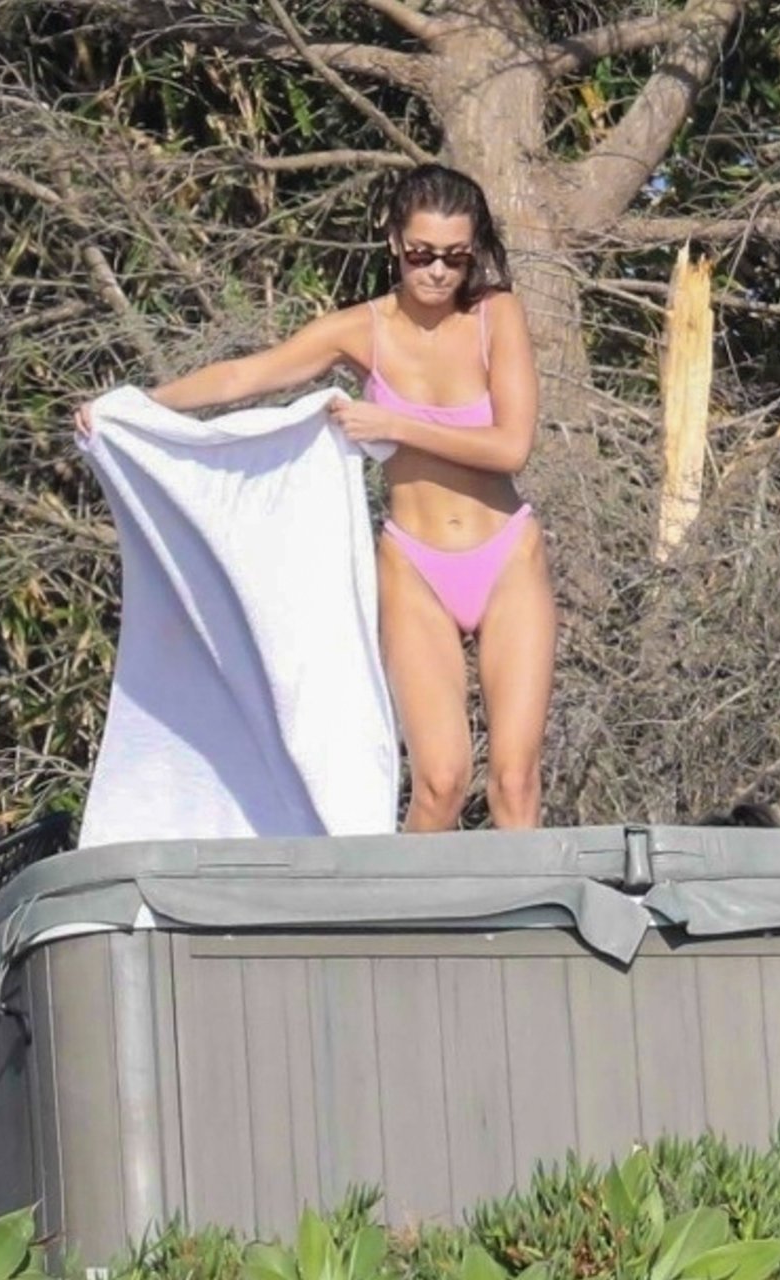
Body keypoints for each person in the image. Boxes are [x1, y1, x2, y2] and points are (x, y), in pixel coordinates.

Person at [76, 163, 557, 831]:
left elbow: (510, 447)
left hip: (505, 555)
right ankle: (393, 903)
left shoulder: (494, 316)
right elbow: (245, 375)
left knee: (514, 781)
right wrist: (138, 405)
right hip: (416, 567)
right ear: (393, 241)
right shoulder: (359, 329)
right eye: (421, 254)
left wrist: (395, 425)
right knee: (440, 782)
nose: (437, 272)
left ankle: (524, 905)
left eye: (455, 257)